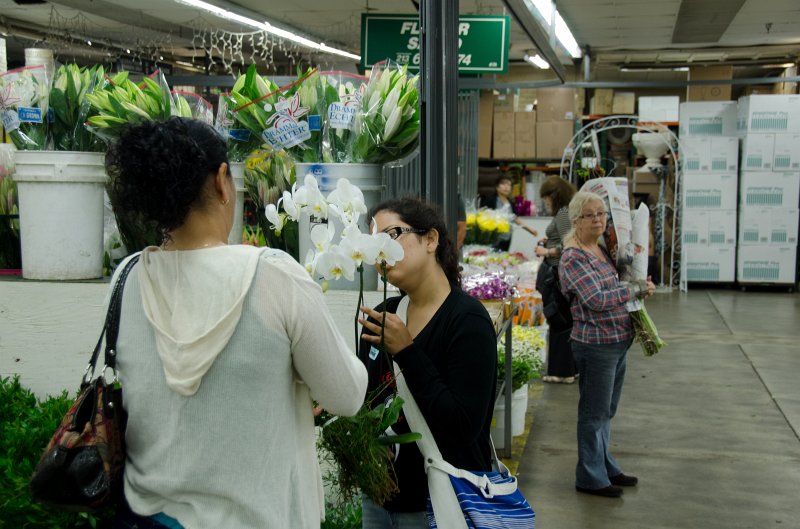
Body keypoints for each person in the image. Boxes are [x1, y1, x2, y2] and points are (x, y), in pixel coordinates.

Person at [104, 117, 368, 529]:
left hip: (148, 519)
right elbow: (347, 396)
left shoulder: (128, 277)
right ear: (223, 180)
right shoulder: (275, 275)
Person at [357, 197, 498, 528]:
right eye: (373, 242)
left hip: (440, 503)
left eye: (391, 235)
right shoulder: (387, 313)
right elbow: (371, 400)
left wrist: (407, 351)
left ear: (431, 239)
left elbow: (462, 427)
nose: (381, 252)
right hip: (379, 499)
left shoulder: (468, 321)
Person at [558, 191, 655, 499]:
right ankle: (590, 476)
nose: (599, 219)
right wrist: (635, 290)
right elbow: (596, 299)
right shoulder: (573, 256)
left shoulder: (598, 247)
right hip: (596, 345)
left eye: (602, 213)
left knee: (606, 410)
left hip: (616, 341)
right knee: (593, 412)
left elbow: (612, 287)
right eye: (591, 214)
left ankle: (604, 465)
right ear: (576, 221)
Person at [535, 175, 578, 384]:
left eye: (546, 198)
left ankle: (561, 371)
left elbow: (568, 245)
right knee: (564, 320)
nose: (545, 203)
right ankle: (571, 368)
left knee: (558, 320)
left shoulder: (563, 213)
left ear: (554, 195)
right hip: (560, 272)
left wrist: (546, 250)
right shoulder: (568, 212)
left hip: (557, 272)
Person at [479, 174, 538, 250]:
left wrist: (530, 230)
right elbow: (482, 216)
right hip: (492, 238)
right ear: (497, 187)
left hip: (507, 238)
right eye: (503, 184)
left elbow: (515, 219)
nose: (506, 187)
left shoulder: (511, 203)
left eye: (509, 185)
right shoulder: (491, 200)